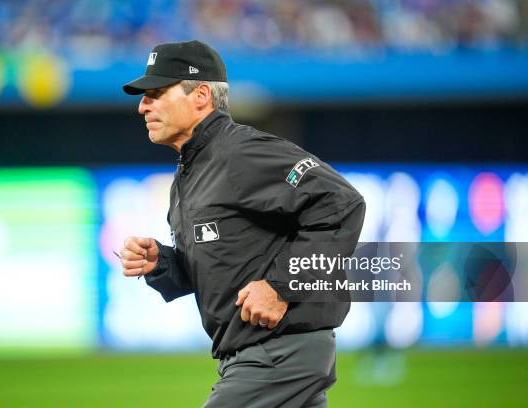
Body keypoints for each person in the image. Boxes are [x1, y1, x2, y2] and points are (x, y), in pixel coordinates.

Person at [119, 40, 365, 408]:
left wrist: (282, 286)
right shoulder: (189, 175)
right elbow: (221, 267)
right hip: (260, 356)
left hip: (277, 354)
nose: (142, 106)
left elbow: (342, 203)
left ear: (201, 95)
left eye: (155, 93)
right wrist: (162, 264)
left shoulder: (241, 153)